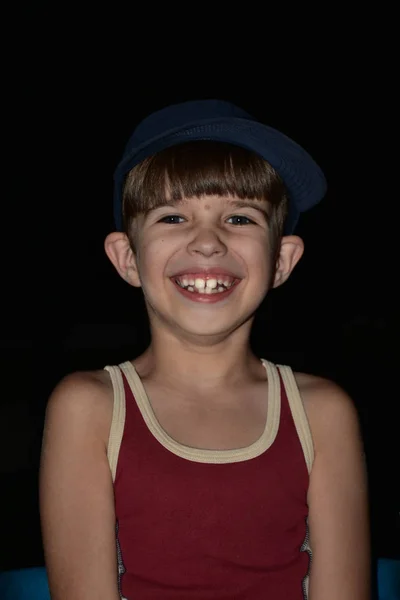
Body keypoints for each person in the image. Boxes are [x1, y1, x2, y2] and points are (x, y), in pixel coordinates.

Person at [39, 99, 370, 599]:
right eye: (173, 217)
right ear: (127, 258)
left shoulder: (321, 413)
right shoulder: (90, 408)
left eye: (240, 218)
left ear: (282, 260)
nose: (209, 242)